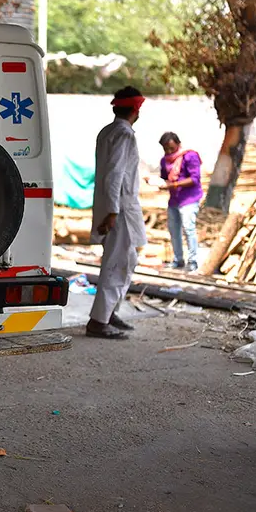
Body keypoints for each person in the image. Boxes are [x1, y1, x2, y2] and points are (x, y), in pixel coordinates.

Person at [87, 86, 148, 340]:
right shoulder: (123, 134)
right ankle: (99, 321)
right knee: (117, 262)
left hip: (121, 206)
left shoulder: (108, 132)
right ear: (136, 109)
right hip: (120, 207)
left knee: (128, 258)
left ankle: (109, 312)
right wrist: (112, 212)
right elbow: (115, 174)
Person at [158, 132, 203, 271]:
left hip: (189, 198)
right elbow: (165, 178)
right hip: (174, 200)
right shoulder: (164, 160)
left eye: (172, 148)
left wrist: (174, 185)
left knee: (188, 228)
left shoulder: (190, 156)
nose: (169, 152)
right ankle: (178, 259)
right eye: (166, 149)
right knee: (174, 230)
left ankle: (193, 261)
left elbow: (195, 178)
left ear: (178, 144)